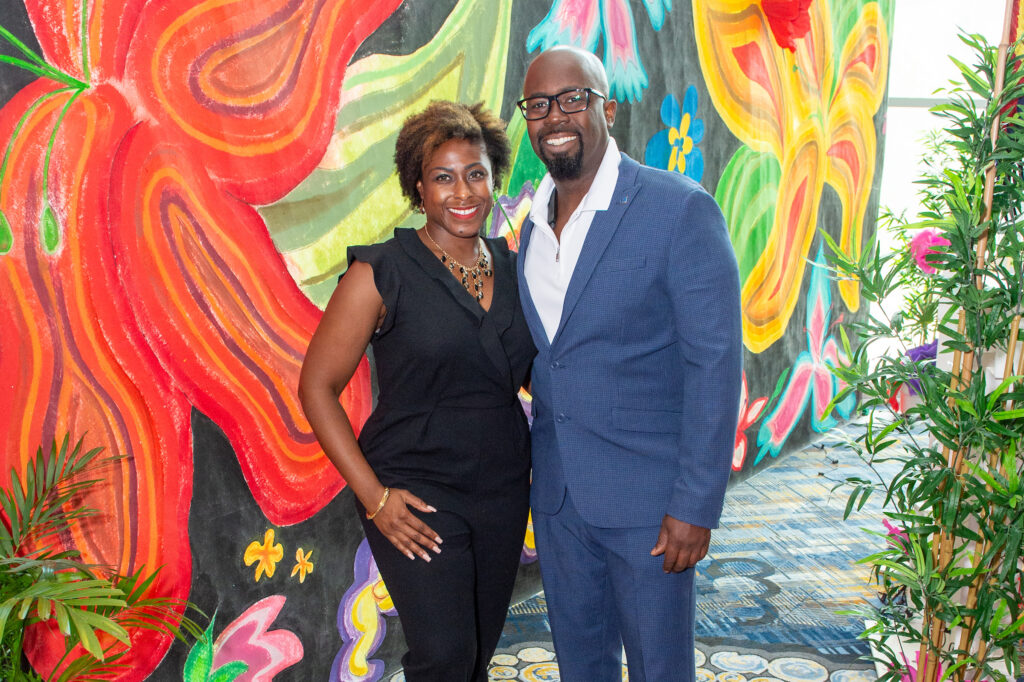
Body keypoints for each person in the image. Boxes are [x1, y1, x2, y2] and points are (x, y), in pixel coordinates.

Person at [515, 46, 742, 682]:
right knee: (580, 666)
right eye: (538, 105)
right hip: (560, 501)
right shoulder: (532, 225)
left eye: (572, 99)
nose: (555, 115)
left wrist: (696, 504)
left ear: (606, 108)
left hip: (651, 505)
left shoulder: (678, 210)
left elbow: (714, 364)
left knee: (657, 668)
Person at [298, 100, 536, 682]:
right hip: (417, 493)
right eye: (443, 177)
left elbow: (532, 373)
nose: (463, 191)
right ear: (419, 188)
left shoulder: (513, 266)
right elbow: (317, 387)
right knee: (444, 658)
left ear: (493, 178)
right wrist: (376, 499)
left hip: (502, 489)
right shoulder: (382, 272)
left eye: (475, 173)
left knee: (476, 654)